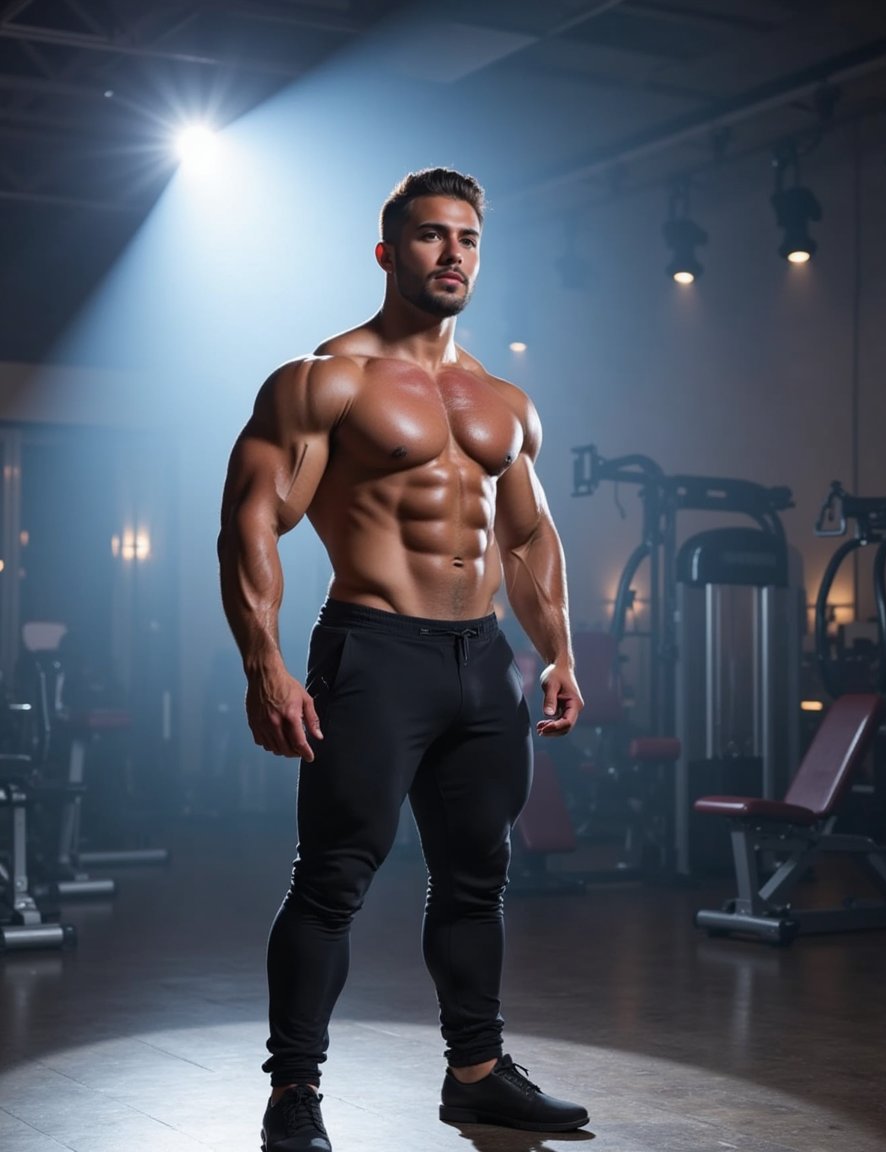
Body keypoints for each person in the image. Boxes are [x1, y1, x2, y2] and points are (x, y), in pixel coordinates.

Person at [218, 167, 589, 1152]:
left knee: (476, 875)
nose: (451, 254)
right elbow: (253, 517)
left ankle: (476, 1074)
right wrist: (265, 664)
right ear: (389, 252)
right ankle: (292, 1092)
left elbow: (524, 537)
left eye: (465, 238)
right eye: (430, 236)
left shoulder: (503, 399)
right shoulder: (325, 378)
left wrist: (557, 650)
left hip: (485, 661)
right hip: (374, 650)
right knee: (334, 875)